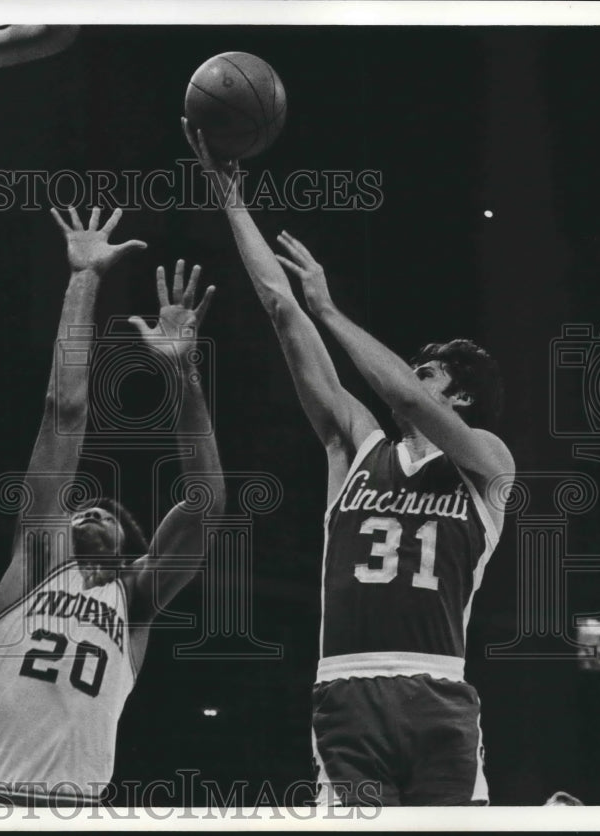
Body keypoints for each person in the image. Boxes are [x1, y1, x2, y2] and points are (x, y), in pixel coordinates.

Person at [184, 121, 515, 806]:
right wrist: (231, 201)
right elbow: (281, 309)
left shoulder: (488, 464)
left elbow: (400, 394)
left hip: (438, 690)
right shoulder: (356, 445)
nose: (412, 378)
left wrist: (330, 309)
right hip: (347, 689)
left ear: (462, 394)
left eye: (429, 371)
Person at [0, 206, 224, 809]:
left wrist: (183, 375)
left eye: (105, 513)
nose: (89, 511)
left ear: (131, 549)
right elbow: (64, 411)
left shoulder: (134, 600)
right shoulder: (37, 561)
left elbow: (206, 503)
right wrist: (84, 278)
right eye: (80, 510)